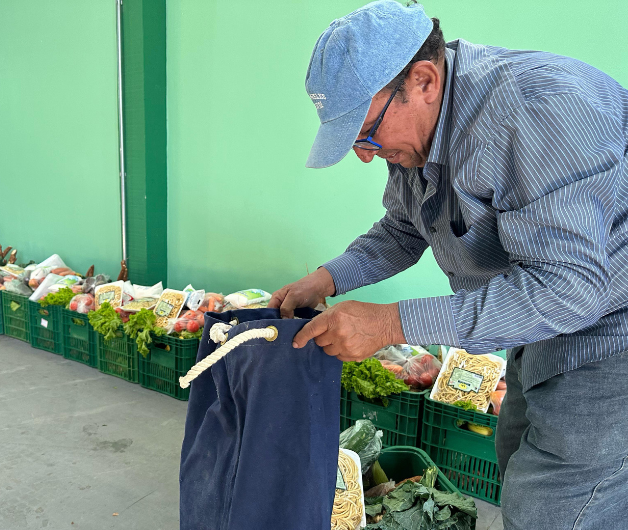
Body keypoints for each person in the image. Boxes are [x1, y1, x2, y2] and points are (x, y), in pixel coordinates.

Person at [268, 1, 628, 528]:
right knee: (515, 458)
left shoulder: (536, 112)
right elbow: (405, 228)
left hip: (611, 334)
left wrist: (390, 324)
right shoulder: (418, 136)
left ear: (424, 80)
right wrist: (325, 279)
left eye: (366, 133)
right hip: (544, 329)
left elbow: (568, 289)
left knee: (552, 508)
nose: (364, 155)